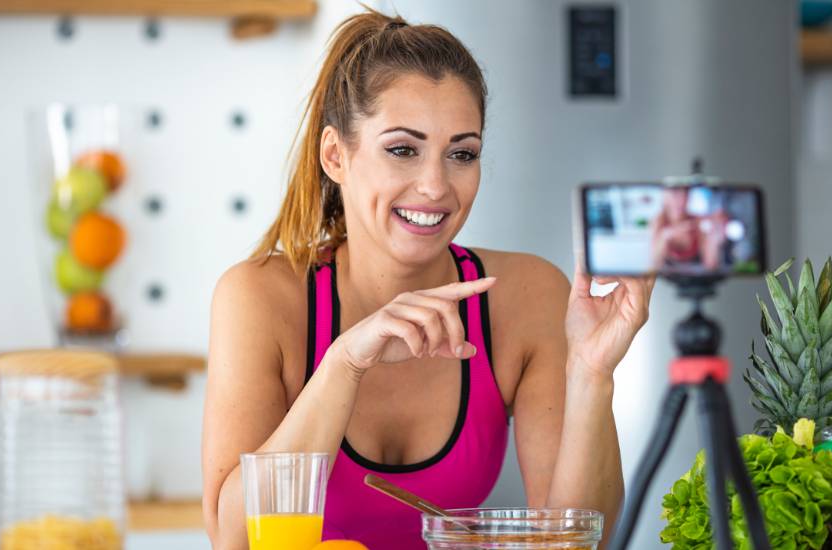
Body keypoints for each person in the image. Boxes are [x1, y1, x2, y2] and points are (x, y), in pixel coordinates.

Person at [202, 9, 654, 549]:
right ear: (335, 155)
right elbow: (234, 540)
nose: (436, 185)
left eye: (461, 153)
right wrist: (344, 365)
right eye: (402, 150)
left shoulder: (527, 295)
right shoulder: (260, 297)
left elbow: (580, 541)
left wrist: (591, 372)